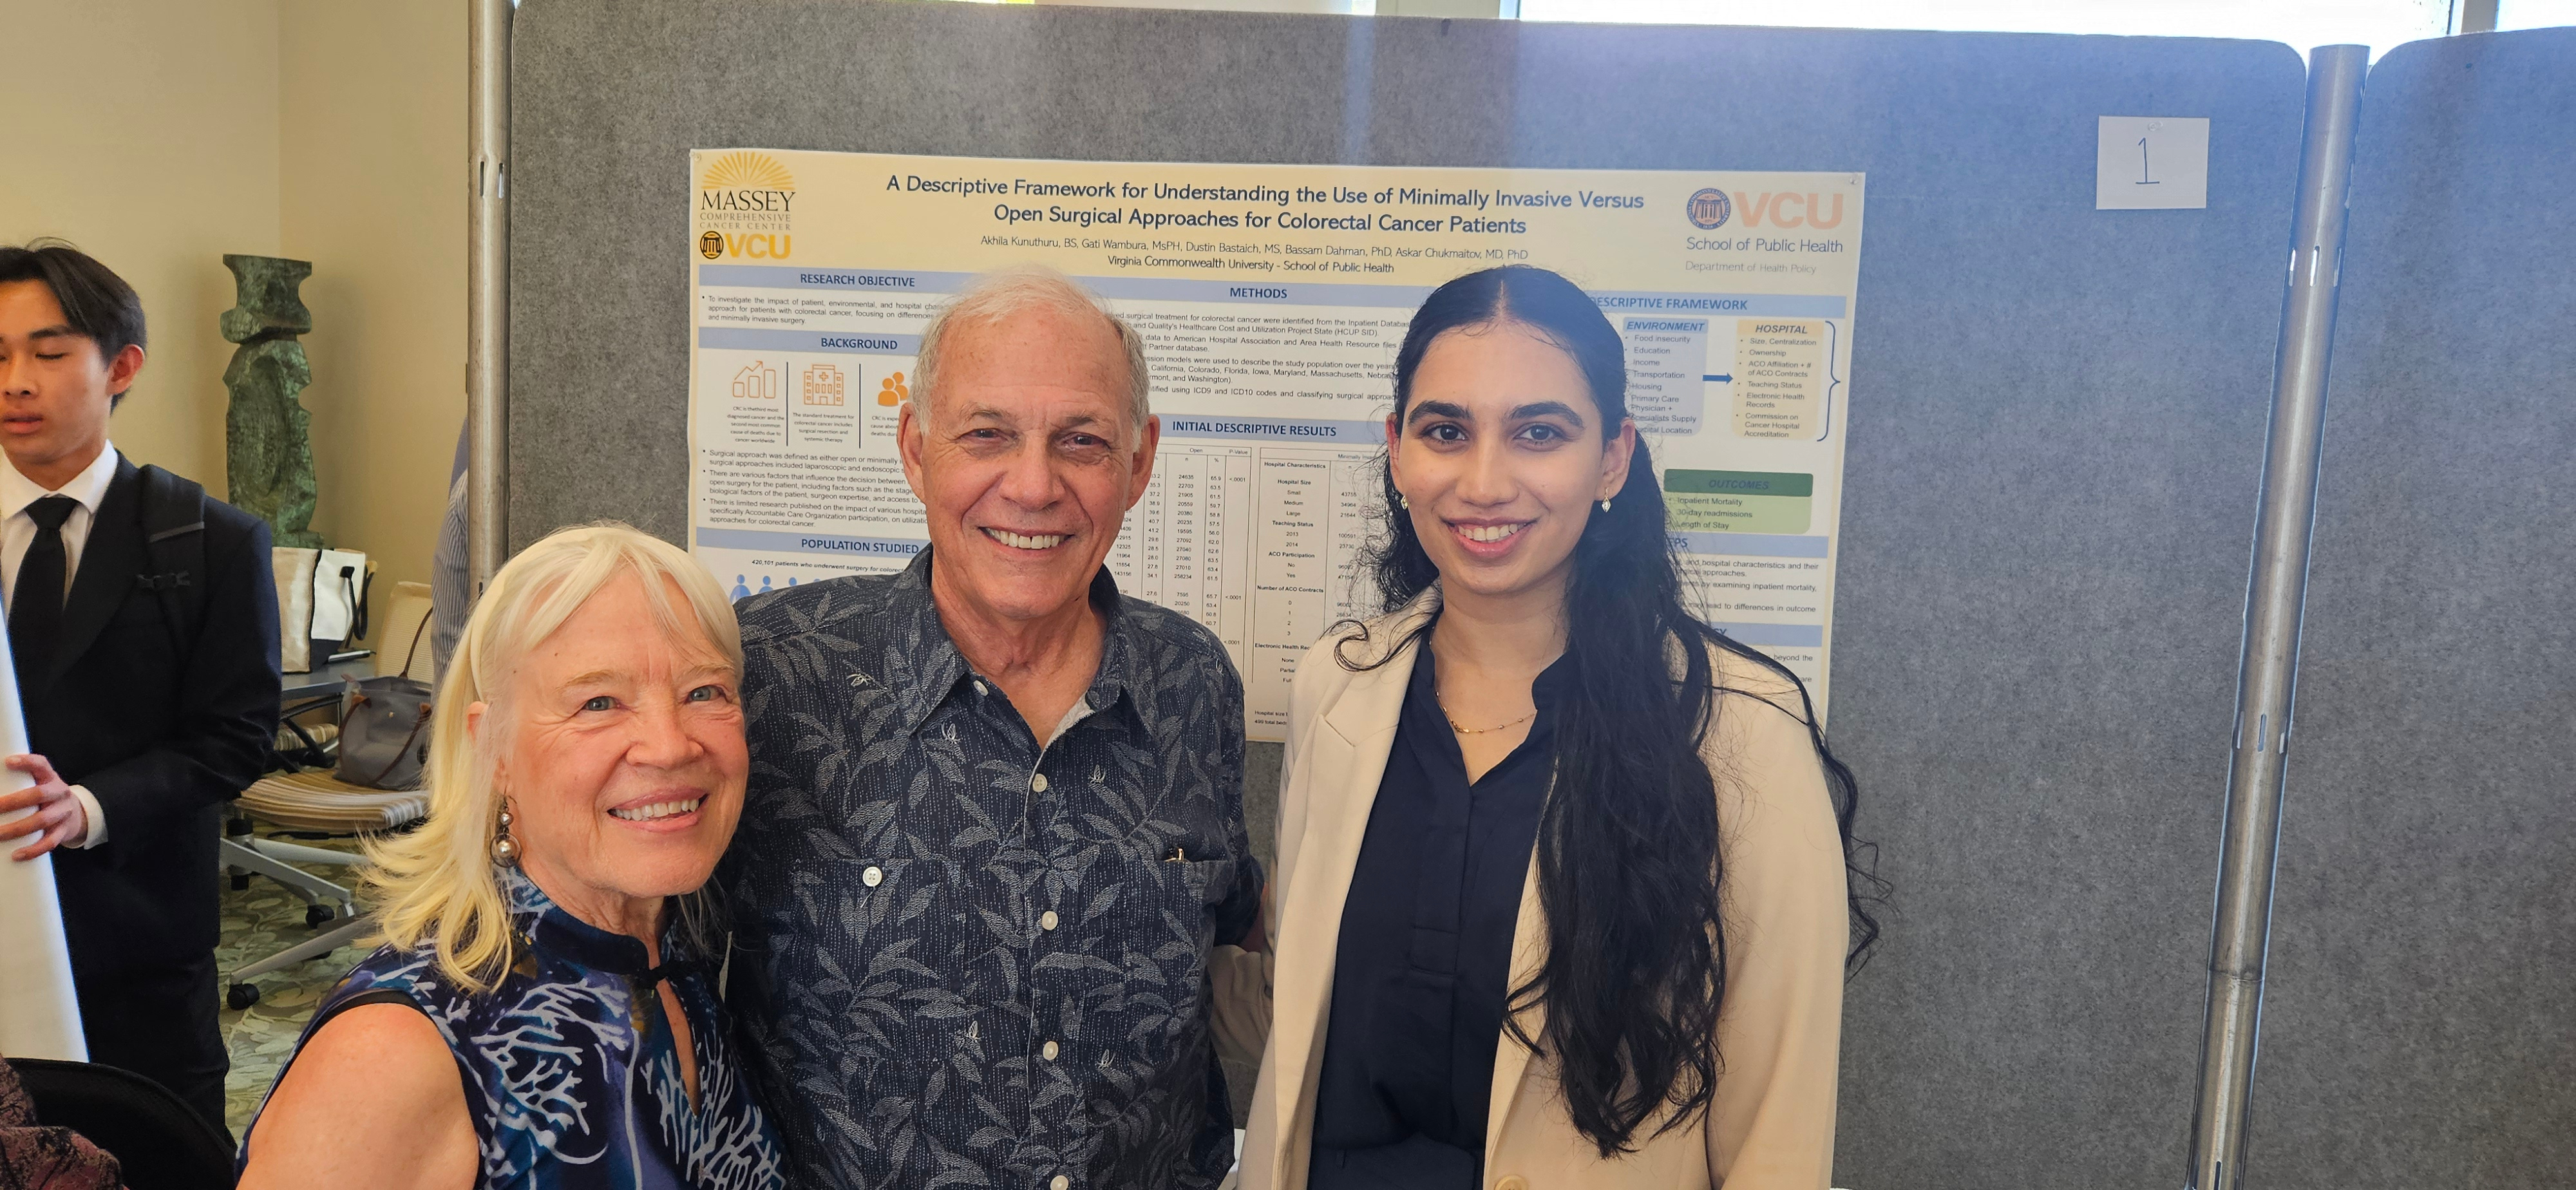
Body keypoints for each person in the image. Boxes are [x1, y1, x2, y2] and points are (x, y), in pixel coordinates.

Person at [1242, 266, 1882, 1190]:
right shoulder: (1338, 687)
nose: (1485, 480)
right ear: (1396, 451)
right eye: (1446, 431)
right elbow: (1297, 1013)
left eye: (1540, 432)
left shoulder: (1737, 731)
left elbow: (1776, 1133)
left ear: (1614, 457)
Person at [723, 266, 1269, 1190]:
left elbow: (1227, 973)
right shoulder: (774, 675)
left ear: (1138, 464)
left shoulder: (1191, 683)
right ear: (914, 447)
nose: (1033, 485)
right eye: (987, 434)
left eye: (1082, 441)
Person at [236, 524, 785, 1190]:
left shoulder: (675, 960)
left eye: (705, 692)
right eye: (598, 703)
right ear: (491, 748)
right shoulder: (394, 1054)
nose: (669, 746)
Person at [0, 240, 281, 1135]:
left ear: (121, 366)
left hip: (139, 942)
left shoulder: (208, 540)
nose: (14, 381)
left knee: (157, 1150)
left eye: (47, 354)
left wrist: (86, 808)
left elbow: (235, 736)